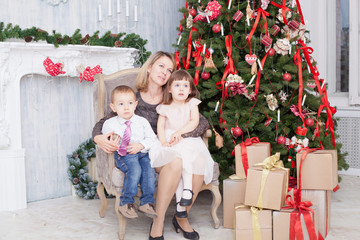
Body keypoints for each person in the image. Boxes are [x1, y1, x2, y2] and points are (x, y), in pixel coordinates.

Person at [92, 51, 210, 240]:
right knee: (176, 162)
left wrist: (179, 135)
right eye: (161, 66)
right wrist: (98, 138)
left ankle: (182, 217)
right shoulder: (133, 100)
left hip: (172, 145)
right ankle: (159, 220)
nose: (165, 72)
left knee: (197, 161)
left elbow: (202, 123)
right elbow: (104, 121)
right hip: (150, 151)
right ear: (149, 68)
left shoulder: (172, 97)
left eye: (169, 69)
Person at [149, 69, 214, 221]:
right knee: (177, 161)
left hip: (186, 138)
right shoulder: (165, 106)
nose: (181, 89)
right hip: (169, 139)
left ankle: (186, 192)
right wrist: (164, 141)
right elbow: (160, 126)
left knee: (188, 156)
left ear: (190, 90)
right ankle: (183, 199)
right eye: (177, 85)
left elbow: (194, 122)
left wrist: (180, 133)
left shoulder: (192, 103)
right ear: (170, 89)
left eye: (185, 86)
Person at [101, 85, 157, 219]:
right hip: (124, 154)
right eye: (121, 104)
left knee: (149, 170)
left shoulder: (142, 122)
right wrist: (112, 141)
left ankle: (146, 202)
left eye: (130, 103)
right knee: (135, 169)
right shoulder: (110, 123)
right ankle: (126, 202)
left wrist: (141, 145)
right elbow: (106, 138)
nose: (126, 107)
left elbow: (152, 138)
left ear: (135, 104)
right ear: (113, 107)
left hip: (142, 153)